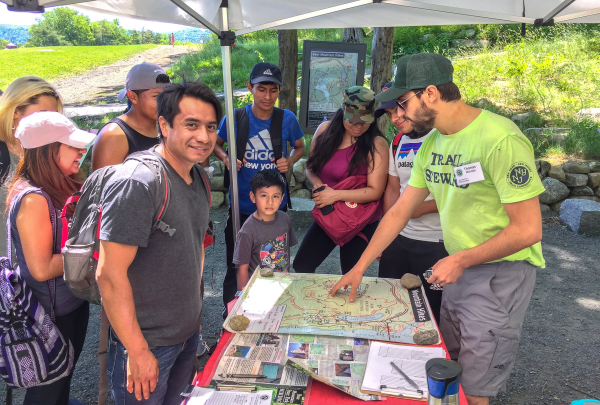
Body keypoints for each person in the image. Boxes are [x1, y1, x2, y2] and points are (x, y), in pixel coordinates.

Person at [330, 53, 545, 405]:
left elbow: (528, 230)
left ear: (430, 93)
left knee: (476, 390)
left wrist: (461, 261)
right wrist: (359, 267)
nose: (397, 114)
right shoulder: (431, 143)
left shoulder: (500, 138)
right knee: (445, 369)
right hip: (458, 267)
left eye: (402, 103)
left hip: (498, 273)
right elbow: (399, 212)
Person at [95, 82, 218, 405]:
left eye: (210, 127)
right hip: (147, 343)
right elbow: (108, 273)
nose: (204, 137)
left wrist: (195, 321)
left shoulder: (199, 176)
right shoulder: (139, 181)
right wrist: (136, 350)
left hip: (188, 335)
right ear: (164, 125)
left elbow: (194, 251)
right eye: (191, 125)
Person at [7, 111, 92, 405]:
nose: (82, 151)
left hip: (69, 304)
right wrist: (93, 251)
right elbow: (41, 268)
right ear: (46, 151)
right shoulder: (33, 199)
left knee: (62, 379)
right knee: (47, 389)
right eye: (73, 146)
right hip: (49, 314)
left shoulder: (56, 185)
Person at [213, 62, 305, 307]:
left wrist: (290, 161)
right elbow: (216, 143)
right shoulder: (235, 117)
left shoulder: (287, 118)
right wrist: (226, 159)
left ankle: (274, 307)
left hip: (276, 208)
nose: (267, 96)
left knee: (274, 261)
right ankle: (233, 311)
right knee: (237, 263)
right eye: (261, 89)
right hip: (242, 207)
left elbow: (300, 146)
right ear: (249, 87)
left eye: (273, 90)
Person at [293, 86, 388, 275]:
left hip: (360, 219)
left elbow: (375, 191)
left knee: (351, 275)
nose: (358, 126)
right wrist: (319, 186)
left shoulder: (377, 144)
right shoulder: (325, 131)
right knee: (302, 265)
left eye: (364, 122)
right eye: (353, 121)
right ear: (343, 111)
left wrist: (334, 195)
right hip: (329, 214)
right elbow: (311, 168)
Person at [376, 82, 447, 324]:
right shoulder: (398, 142)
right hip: (400, 237)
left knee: (430, 309)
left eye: (398, 109)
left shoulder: (442, 137)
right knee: (389, 300)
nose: (395, 118)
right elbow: (393, 189)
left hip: (435, 240)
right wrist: (386, 234)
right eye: (388, 114)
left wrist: (418, 209)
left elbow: (457, 192)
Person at [0, 76, 62, 257]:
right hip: (7, 273)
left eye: (54, 116)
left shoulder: (55, 152)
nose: (48, 123)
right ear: (15, 111)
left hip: (45, 274)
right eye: (42, 114)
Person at [91, 62, 171, 171]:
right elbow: (103, 186)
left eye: (167, 95)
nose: (164, 102)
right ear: (133, 97)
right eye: (156, 96)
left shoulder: (167, 126)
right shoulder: (114, 135)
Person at [233, 169, 298, 290]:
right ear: (253, 197)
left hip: (282, 284)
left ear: (282, 198)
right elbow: (242, 268)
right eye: (264, 195)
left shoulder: (285, 219)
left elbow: (286, 249)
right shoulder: (247, 231)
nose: (270, 201)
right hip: (259, 289)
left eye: (275, 196)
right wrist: (244, 297)